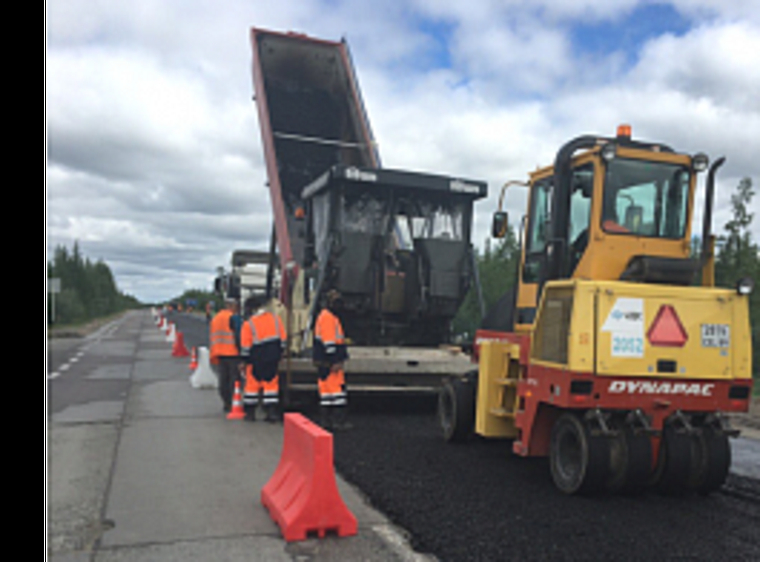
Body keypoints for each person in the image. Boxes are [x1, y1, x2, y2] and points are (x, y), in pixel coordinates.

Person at [240, 298, 286, 423]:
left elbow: (245, 347)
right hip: (272, 359)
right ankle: (271, 413)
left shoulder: (249, 324)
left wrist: (244, 361)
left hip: (255, 360)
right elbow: (283, 341)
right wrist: (280, 354)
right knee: (271, 386)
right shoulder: (276, 320)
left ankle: (250, 414)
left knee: (252, 387)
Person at [313, 289, 350, 430]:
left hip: (325, 363)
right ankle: (337, 421)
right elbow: (329, 343)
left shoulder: (327, 317)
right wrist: (335, 361)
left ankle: (326, 421)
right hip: (330, 364)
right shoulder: (328, 318)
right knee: (337, 394)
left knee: (327, 395)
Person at [209, 298, 242, 413]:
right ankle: (233, 402)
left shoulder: (216, 318)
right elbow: (239, 335)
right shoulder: (233, 318)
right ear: (232, 306)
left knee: (223, 379)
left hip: (219, 352)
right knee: (234, 380)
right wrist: (243, 352)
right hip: (232, 353)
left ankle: (226, 403)